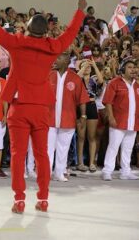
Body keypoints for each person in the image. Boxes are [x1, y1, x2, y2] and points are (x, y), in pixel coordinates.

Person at [0, 0, 87, 214]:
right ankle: (43, 199)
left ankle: (20, 199)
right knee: (42, 155)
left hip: (19, 107)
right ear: (45, 33)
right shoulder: (53, 47)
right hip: (42, 107)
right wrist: (80, 11)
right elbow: (71, 33)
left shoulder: (15, 43)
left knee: (17, 154)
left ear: (28, 28)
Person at [48, 53, 89, 182]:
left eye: (59, 58)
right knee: (47, 148)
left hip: (68, 119)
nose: (55, 60)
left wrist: (83, 116)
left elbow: (82, 99)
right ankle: (45, 173)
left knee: (63, 148)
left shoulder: (75, 78)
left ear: (66, 62)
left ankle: (59, 173)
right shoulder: (49, 75)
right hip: (49, 119)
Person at [102, 60, 139, 181]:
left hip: (133, 121)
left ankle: (126, 172)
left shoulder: (136, 84)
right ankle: (107, 171)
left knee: (128, 148)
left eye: (134, 67)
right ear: (123, 69)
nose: (133, 69)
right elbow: (108, 101)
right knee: (113, 146)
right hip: (118, 121)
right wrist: (111, 117)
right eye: (130, 67)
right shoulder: (114, 83)